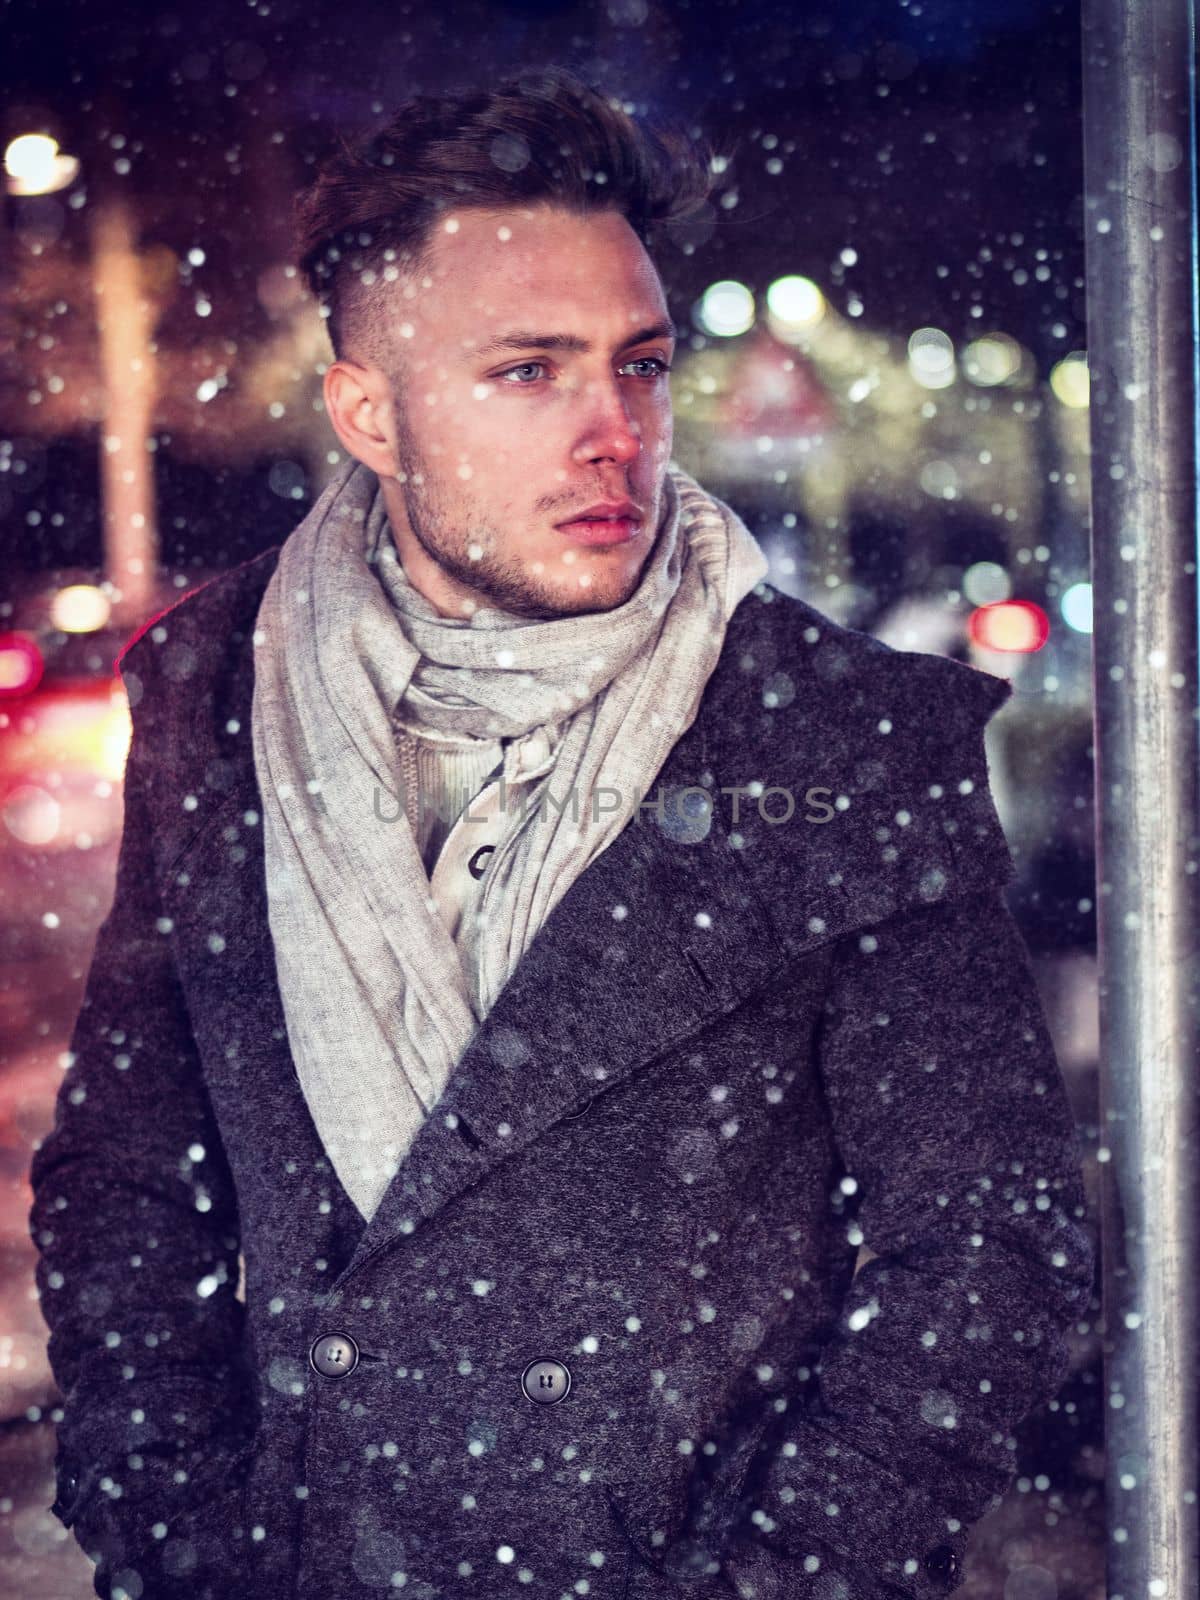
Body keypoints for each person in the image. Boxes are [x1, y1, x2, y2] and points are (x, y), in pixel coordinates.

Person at [29, 66, 1094, 1600]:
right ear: (370, 414)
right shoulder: (216, 696)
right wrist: (183, 1540)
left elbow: (991, 1259)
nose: (616, 431)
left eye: (641, 365)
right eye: (528, 372)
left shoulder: (833, 735)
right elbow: (132, 1174)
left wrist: (769, 1582)